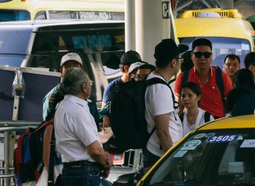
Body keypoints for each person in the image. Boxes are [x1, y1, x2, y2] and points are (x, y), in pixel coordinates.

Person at [55, 68, 112, 186]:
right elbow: (94, 149)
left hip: (72, 170)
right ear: (84, 88)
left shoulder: (63, 106)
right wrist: (105, 162)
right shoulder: (77, 110)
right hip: (83, 172)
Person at [144, 39, 184, 172]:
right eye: (179, 59)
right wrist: (172, 163)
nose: (180, 62)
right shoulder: (159, 88)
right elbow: (163, 132)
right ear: (173, 62)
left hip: (158, 154)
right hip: (159, 156)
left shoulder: (154, 82)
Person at [174, 38, 233, 118]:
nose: (202, 58)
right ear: (192, 56)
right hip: (192, 127)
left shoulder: (222, 77)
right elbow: (179, 110)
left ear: (211, 56)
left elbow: (230, 109)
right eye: (198, 54)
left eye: (206, 55)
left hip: (217, 126)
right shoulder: (182, 78)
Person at [43, 53, 99, 126]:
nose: (72, 69)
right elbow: (47, 123)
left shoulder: (87, 92)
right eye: (67, 67)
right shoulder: (53, 95)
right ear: (61, 72)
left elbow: (95, 123)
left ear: (82, 70)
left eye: (76, 66)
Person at [100, 51, 142, 128]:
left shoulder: (139, 84)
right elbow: (104, 112)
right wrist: (105, 117)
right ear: (126, 68)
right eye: (136, 68)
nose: (139, 71)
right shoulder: (113, 87)